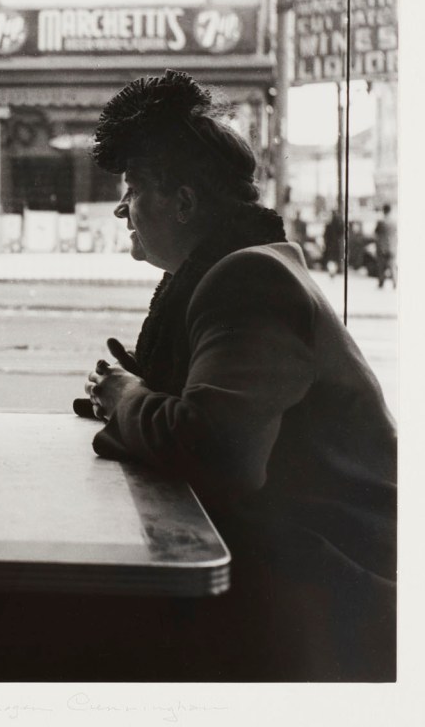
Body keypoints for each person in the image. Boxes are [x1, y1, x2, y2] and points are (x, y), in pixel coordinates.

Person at [81, 70, 396, 682]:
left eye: (134, 187)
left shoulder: (247, 279)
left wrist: (128, 399)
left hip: (342, 583)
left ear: (185, 202)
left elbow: (219, 452)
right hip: (309, 556)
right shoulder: (237, 267)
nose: (122, 208)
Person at [374, 203, 397, 288]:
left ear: (383, 211)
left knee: (381, 266)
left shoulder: (381, 222)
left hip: (382, 247)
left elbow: (376, 233)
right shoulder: (394, 222)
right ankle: (395, 282)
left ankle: (381, 282)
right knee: (392, 266)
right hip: (392, 247)